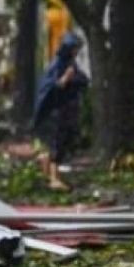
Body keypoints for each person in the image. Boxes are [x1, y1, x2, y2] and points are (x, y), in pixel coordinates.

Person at [32, 32, 89, 191]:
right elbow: (52, 87)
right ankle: (53, 177)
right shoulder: (57, 65)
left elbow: (82, 80)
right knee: (56, 143)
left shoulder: (71, 64)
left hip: (68, 111)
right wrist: (65, 79)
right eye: (74, 48)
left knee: (64, 143)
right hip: (56, 112)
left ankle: (48, 170)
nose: (76, 52)